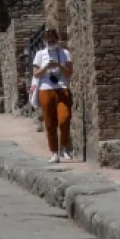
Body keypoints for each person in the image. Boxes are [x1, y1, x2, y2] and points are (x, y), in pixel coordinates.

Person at [30, 29, 73, 163]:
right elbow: (36, 74)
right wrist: (46, 67)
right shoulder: (39, 54)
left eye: (53, 40)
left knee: (64, 118)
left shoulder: (65, 53)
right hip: (45, 90)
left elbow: (69, 73)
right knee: (49, 123)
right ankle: (54, 152)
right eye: (48, 41)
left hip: (62, 89)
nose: (51, 43)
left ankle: (65, 146)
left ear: (57, 39)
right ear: (44, 41)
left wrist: (59, 66)